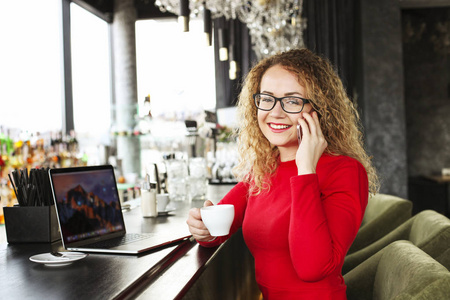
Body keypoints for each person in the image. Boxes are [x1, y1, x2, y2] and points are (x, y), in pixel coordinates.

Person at [186, 48, 379, 299]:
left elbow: (312, 268)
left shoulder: (345, 171)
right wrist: (203, 229)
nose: (275, 112)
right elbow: (218, 227)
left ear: (318, 109)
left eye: (292, 101)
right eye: (266, 98)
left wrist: (306, 169)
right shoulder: (264, 169)